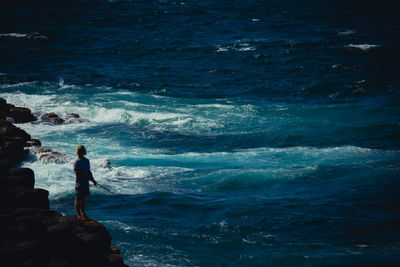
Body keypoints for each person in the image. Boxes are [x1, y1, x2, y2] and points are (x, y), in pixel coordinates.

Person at [74, 145, 97, 220]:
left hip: (85, 183)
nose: (81, 151)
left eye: (82, 150)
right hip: (79, 183)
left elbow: (89, 171)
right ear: (78, 152)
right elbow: (76, 172)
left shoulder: (87, 160)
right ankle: (78, 214)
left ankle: (83, 213)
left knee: (83, 199)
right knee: (78, 198)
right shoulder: (77, 161)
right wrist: (86, 177)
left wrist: (92, 179)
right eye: (80, 150)